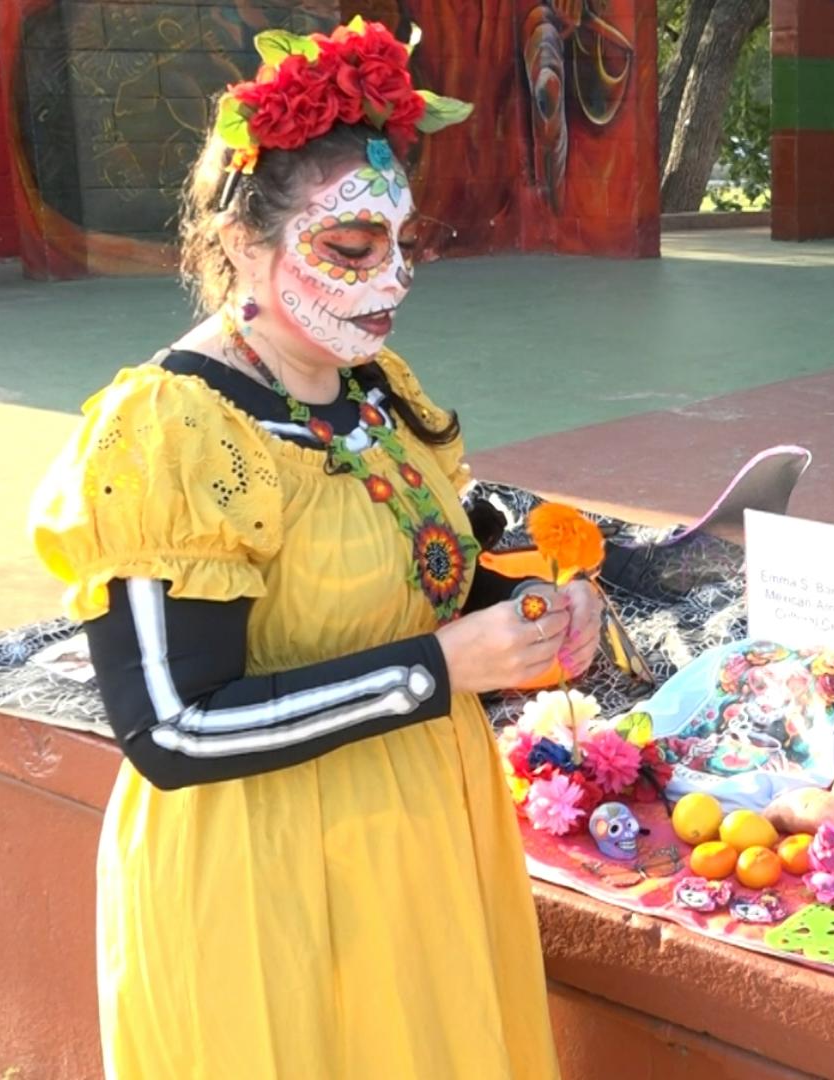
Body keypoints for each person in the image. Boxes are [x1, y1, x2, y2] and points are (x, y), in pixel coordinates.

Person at [28, 20, 585, 1077]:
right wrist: (440, 668)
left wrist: (539, 589)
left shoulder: (372, 391)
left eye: (403, 246)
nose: (392, 282)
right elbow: (172, 729)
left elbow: (436, 553)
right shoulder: (175, 434)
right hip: (265, 890)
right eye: (351, 248)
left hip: (418, 858)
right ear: (243, 242)